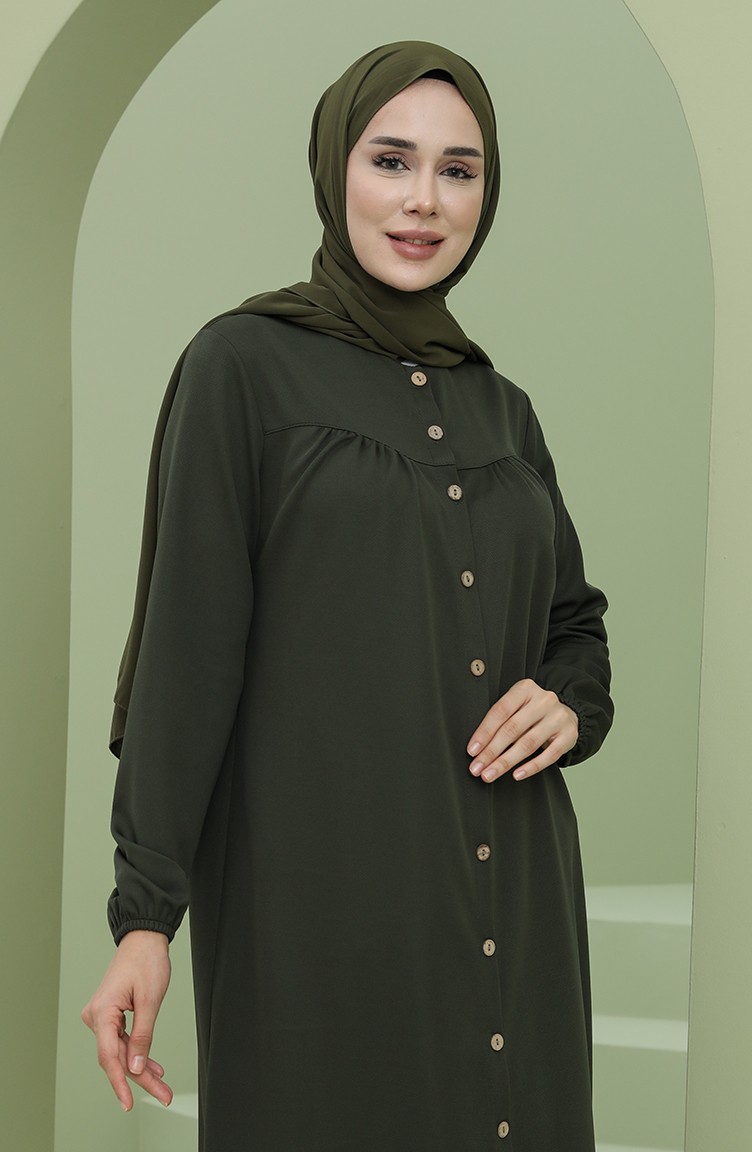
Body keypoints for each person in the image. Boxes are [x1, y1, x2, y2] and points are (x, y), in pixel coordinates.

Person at [82, 40, 612, 1152]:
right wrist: (145, 918)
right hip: (321, 905)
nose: (425, 201)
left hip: (517, 898)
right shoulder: (242, 367)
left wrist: (568, 702)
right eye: (391, 160)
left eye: (459, 171)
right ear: (335, 169)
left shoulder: (503, 410)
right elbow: (187, 656)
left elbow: (574, 624)